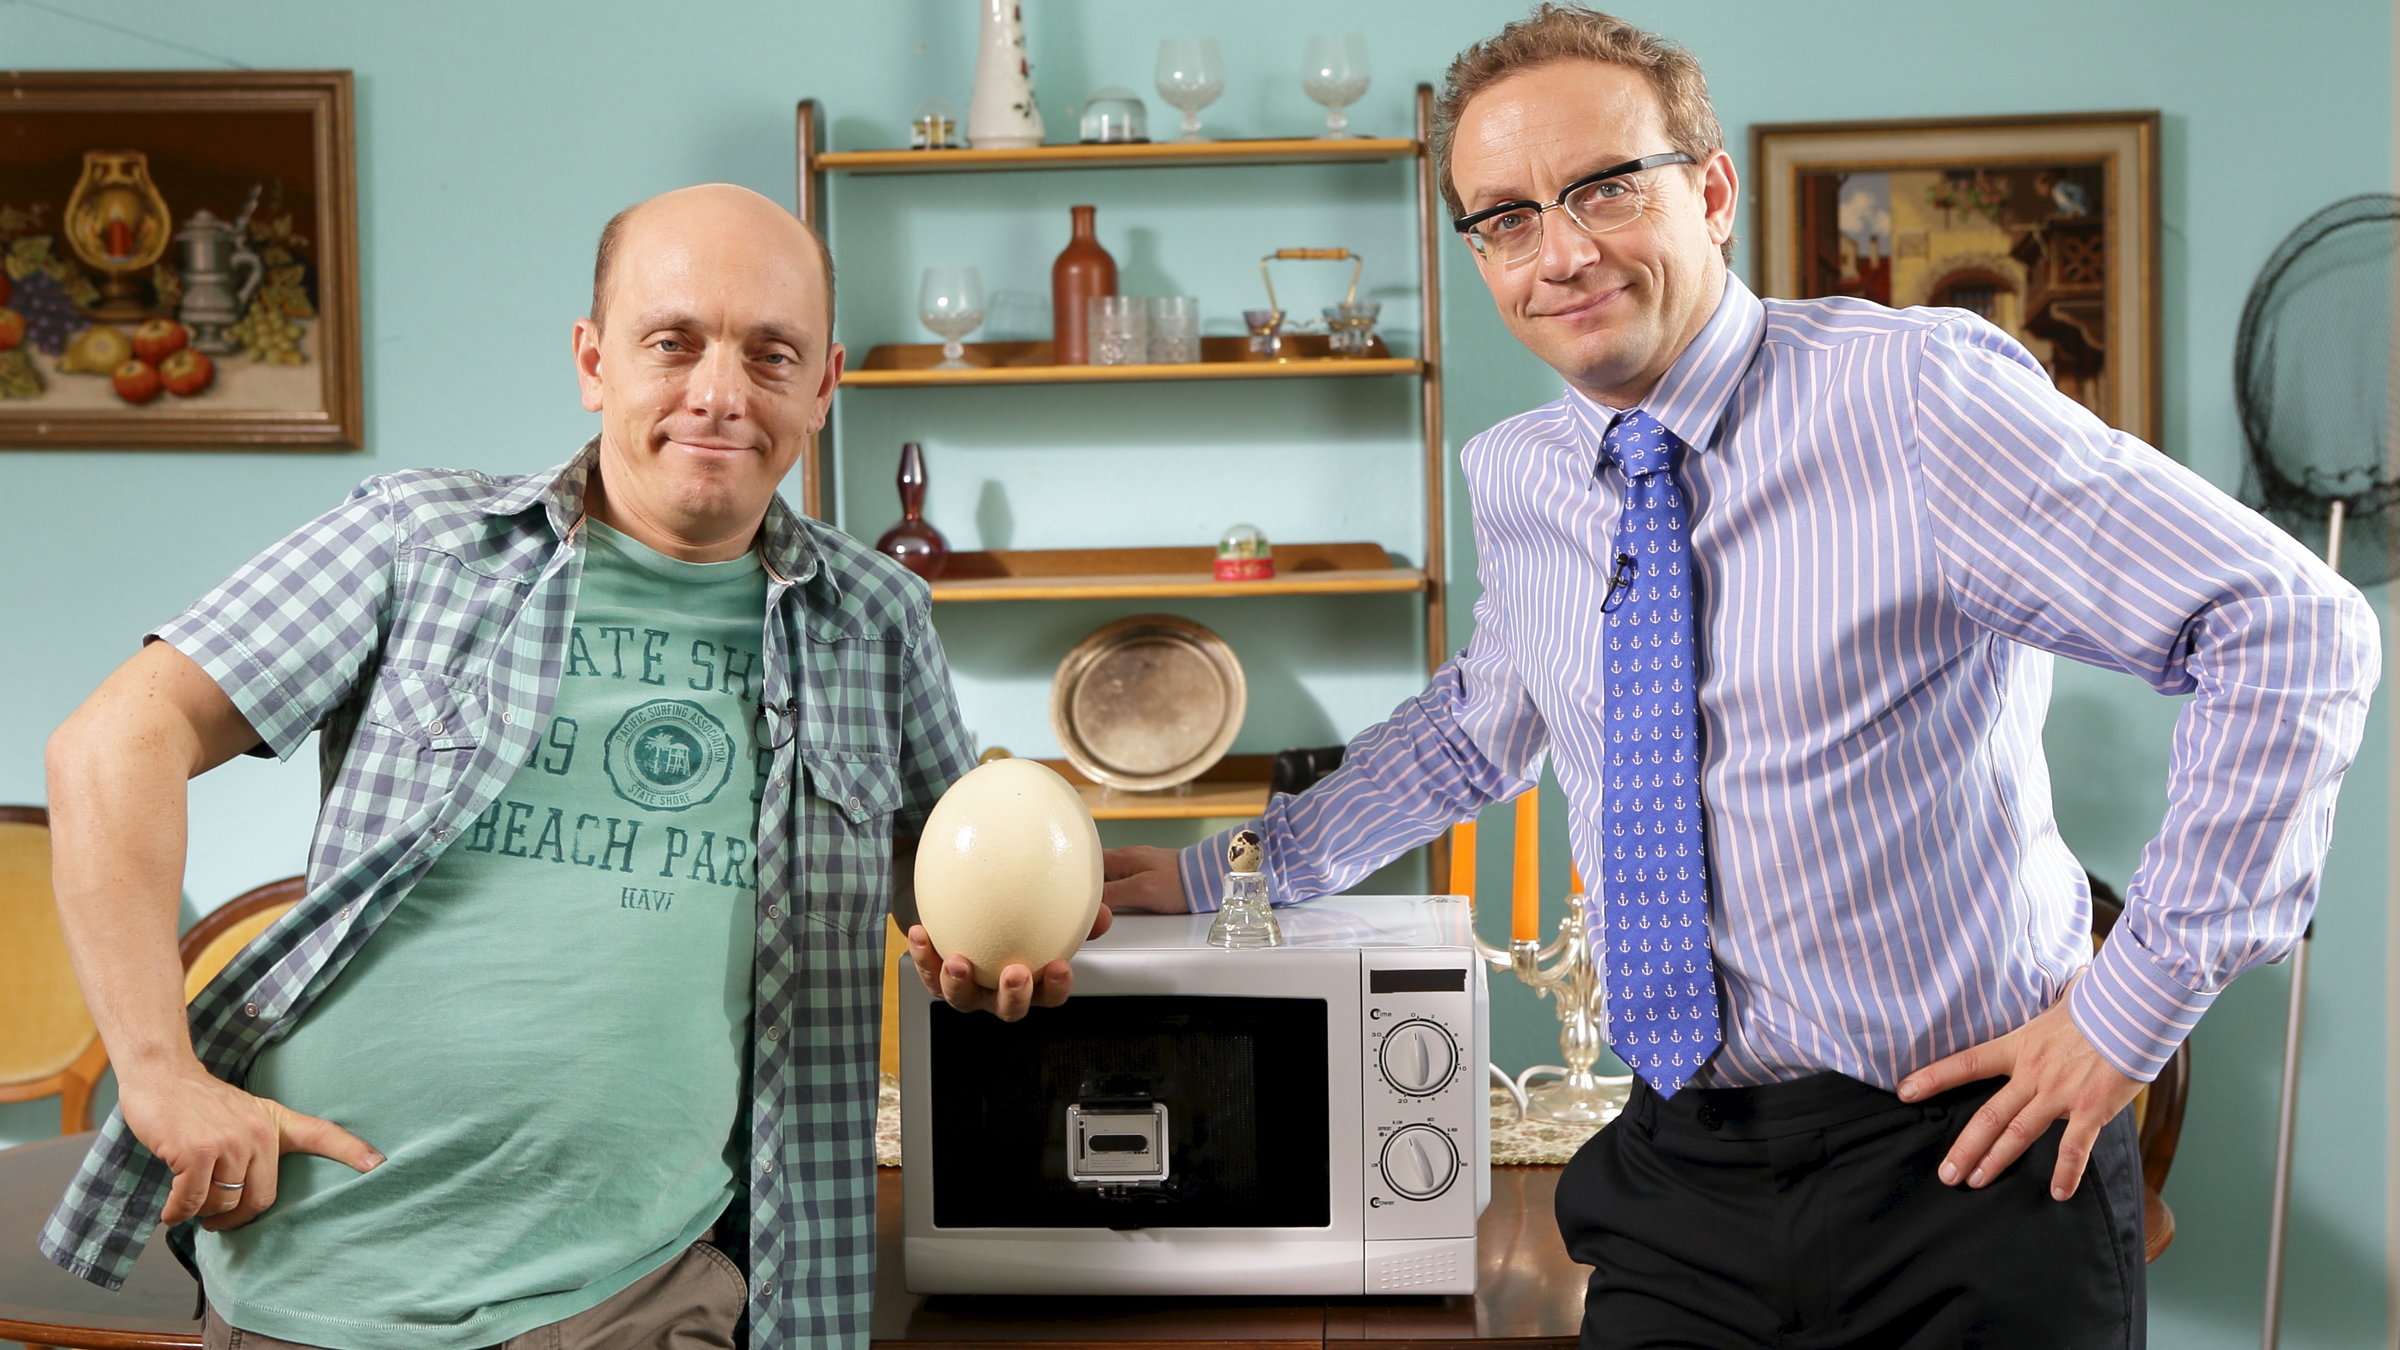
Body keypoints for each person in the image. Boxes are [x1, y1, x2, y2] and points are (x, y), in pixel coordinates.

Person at [1102, 7, 2378, 1347]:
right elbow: (1474, 730)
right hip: (1677, 1178)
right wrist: (1221, 872)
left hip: (1968, 1175)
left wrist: (2130, 1014)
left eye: (1604, 188)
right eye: (1509, 218)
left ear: (1711, 194)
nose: (1565, 251)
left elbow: (2290, 627)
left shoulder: (1917, 398)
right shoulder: (1523, 476)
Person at [41, 183, 1089, 1350]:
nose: (719, 394)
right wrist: (155, 1070)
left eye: (770, 354)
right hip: (321, 1277)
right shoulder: (415, 544)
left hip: (643, 1288)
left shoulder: (876, 616)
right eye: (673, 342)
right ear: (595, 361)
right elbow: (116, 742)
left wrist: (994, 946)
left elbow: (944, 871)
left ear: (825, 388)